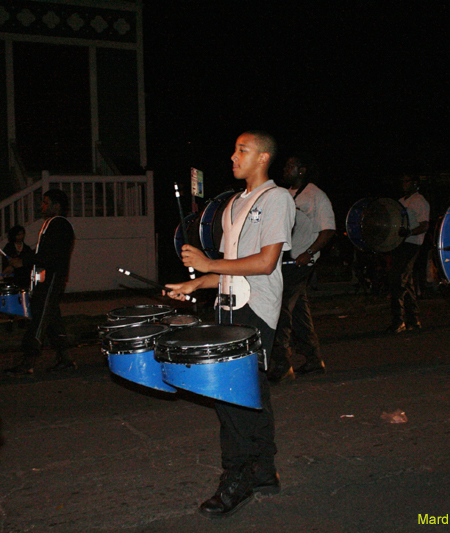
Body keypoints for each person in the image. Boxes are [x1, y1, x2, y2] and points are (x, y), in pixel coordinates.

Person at [165, 131, 295, 518]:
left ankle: (235, 478)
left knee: (230, 397)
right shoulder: (233, 204)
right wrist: (197, 281)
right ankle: (263, 470)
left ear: (263, 158)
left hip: (255, 309)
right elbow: (230, 266)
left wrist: (208, 264)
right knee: (252, 393)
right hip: (228, 306)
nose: (234, 156)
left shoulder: (278, 199)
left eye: (243, 150)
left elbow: (265, 262)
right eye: (234, 148)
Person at [268, 153, 335, 383]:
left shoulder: (317, 196)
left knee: (281, 310)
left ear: (302, 170)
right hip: (284, 261)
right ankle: (314, 361)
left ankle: (282, 364)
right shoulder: (285, 195)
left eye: (290, 165)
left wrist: (310, 252)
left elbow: (328, 230)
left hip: (300, 261)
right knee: (299, 314)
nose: (285, 169)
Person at [5, 189, 75, 376]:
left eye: (45, 203)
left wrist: (23, 262)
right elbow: (40, 254)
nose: (42, 206)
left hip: (51, 279)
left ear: (56, 206)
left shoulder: (59, 225)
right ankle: (65, 359)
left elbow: (49, 256)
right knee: (52, 319)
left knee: (38, 319)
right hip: (46, 278)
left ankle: (28, 361)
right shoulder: (51, 224)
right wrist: (22, 263)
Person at [384, 175, 429, 333]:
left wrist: (409, 232)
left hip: (412, 244)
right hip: (400, 244)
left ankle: (399, 320)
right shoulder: (401, 201)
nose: (404, 184)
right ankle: (413, 319)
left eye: (407, 181)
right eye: (402, 181)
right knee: (406, 281)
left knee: (398, 280)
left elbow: (424, 225)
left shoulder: (419, 201)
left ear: (415, 183)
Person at [1, 225, 34, 289]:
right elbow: (5, 264)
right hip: (12, 280)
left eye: (22, 234)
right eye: (18, 234)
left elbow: (29, 264)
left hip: (24, 280)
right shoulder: (8, 248)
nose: (20, 236)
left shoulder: (27, 249)